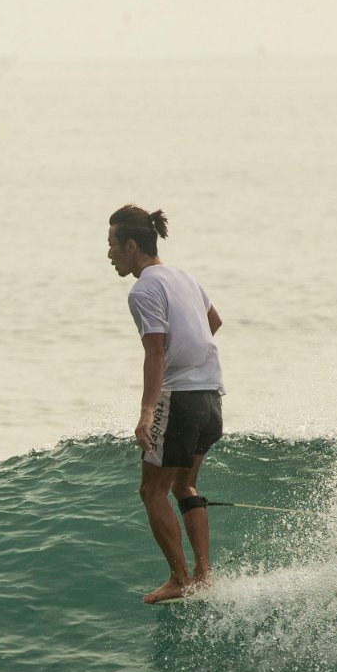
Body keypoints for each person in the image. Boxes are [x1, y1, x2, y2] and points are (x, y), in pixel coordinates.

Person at [106, 205, 224, 603]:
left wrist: (146, 412)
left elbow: (154, 352)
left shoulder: (143, 289)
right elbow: (215, 322)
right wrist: (191, 345)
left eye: (112, 246)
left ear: (132, 245)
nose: (109, 255)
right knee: (184, 483)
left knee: (151, 491)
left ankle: (179, 578)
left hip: (181, 398)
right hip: (211, 395)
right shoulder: (185, 278)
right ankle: (204, 575)